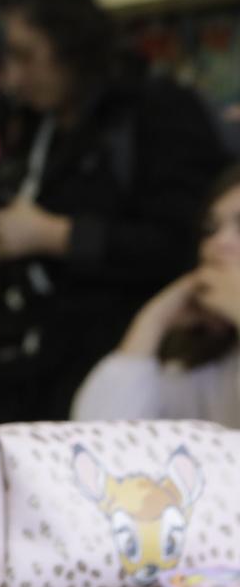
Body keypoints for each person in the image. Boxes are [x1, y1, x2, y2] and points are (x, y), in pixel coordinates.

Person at [0, 0, 225, 431]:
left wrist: (51, 234)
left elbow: (187, 248)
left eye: (25, 55)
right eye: (1, 62)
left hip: (121, 374)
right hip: (25, 372)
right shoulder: (32, 127)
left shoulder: (158, 111)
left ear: (68, 38)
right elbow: (41, 284)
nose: (12, 76)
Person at [73, 165, 240, 424]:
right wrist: (153, 319)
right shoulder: (203, 364)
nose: (218, 242)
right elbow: (103, 438)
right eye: (210, 229)